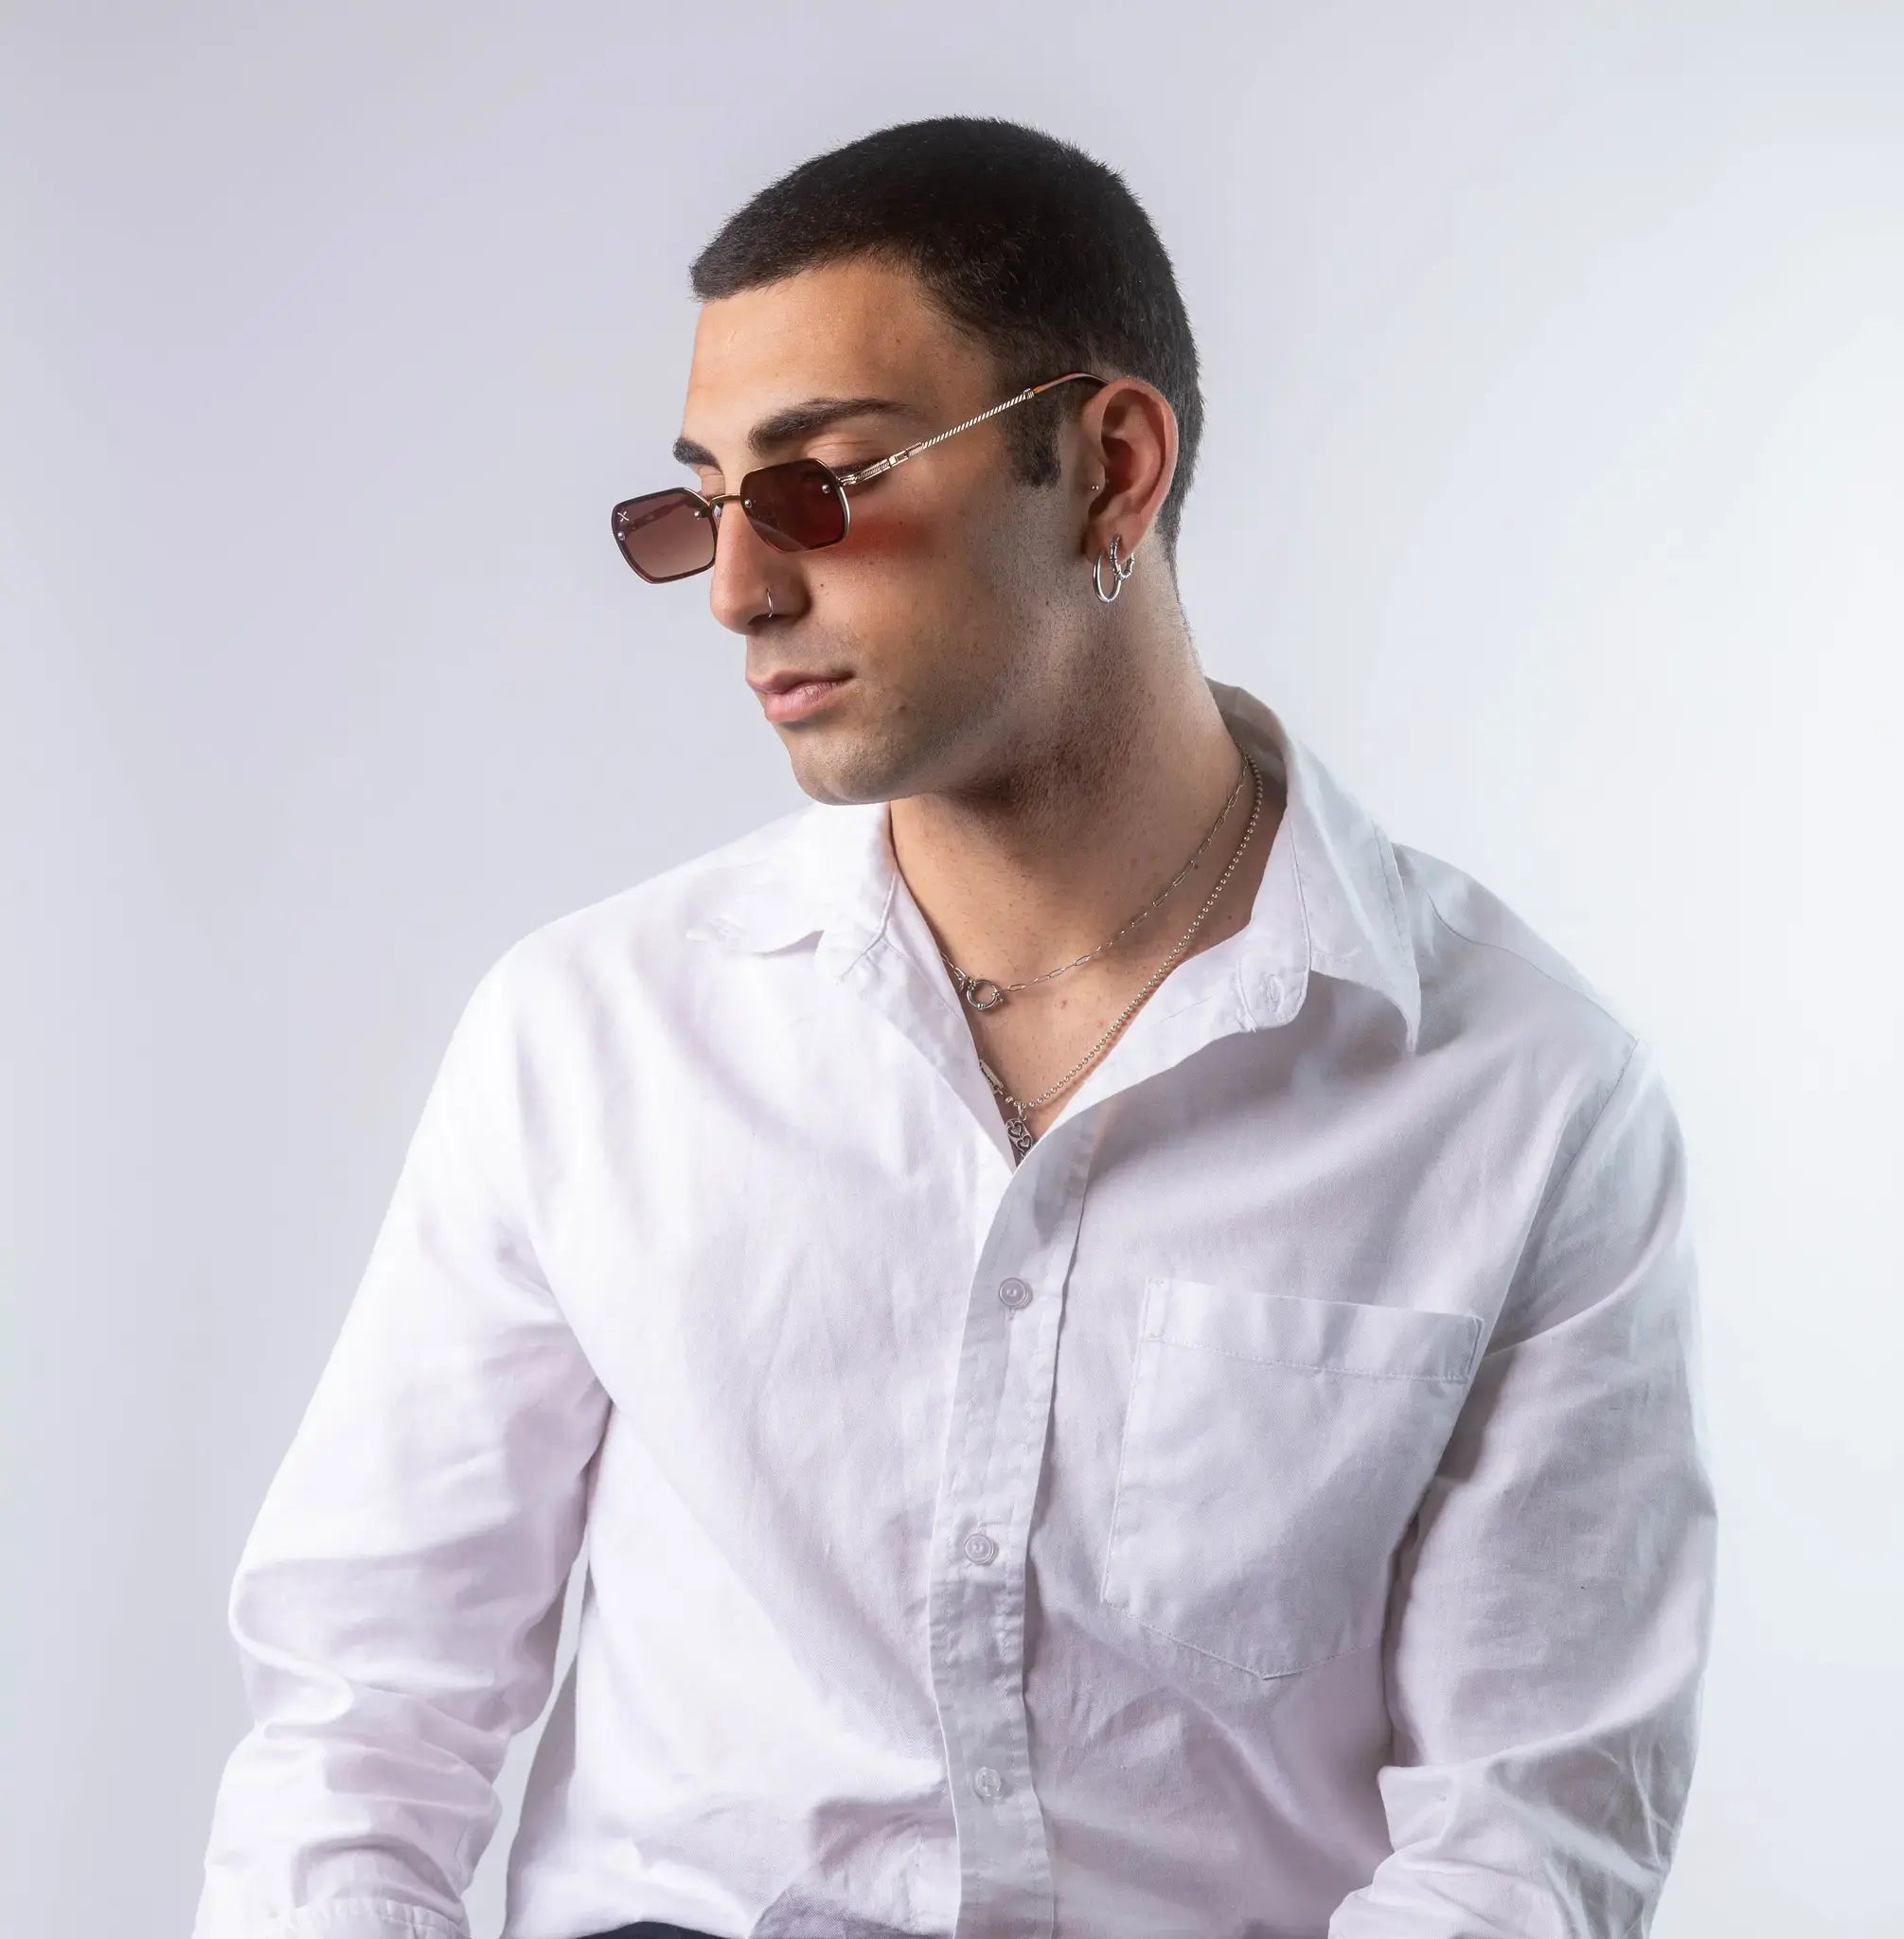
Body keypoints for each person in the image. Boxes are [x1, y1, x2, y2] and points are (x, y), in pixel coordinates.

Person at [192, 115, 1717, 1939]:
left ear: (1108, 469)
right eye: (709, 504)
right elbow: (369, 1726)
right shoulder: (588, 1039)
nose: (745, 593)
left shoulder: (1525, 1099)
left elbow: (1524, 1844)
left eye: (825, 484)